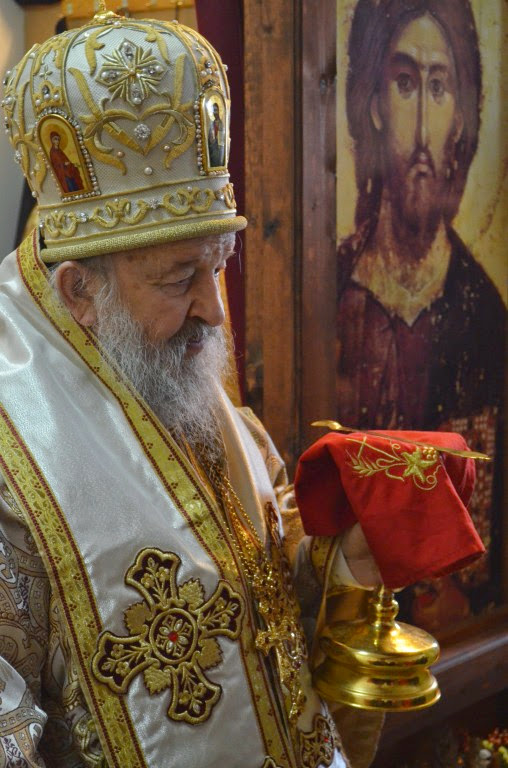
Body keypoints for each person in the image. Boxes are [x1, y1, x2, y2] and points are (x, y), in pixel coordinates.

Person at [0, 8, 382, 767]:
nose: (214, 309)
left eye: (218, 265)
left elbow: (257, 608)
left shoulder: (161, 359)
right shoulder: (13, 452)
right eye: (180, 278)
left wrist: (341, 566)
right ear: (80, 290)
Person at [336, 0, 505, 625]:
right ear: (375, 104)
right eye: (406, 83)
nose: (425, 135)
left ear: (462, 115)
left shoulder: (484, 314)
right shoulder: (333, 292)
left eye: (440, 88)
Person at [208, 101, 225, 167]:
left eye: (216, 110)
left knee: (219, 160)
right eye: (213, 110)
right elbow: (210, 137)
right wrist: (211, 139)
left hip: (220, 147)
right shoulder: (212, 123)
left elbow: (222, 139)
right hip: (213, 146)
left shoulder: (221, 124)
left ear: (219, 111)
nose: (215, 112)